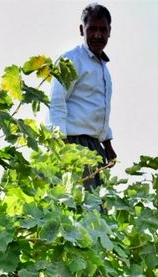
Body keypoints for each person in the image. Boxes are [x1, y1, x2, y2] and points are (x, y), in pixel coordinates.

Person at [49, 2, 117, 189]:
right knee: (81, 207)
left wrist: (108, 145)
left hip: (95, 147)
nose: (98, 35)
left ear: (110, 31)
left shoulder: (104, 69)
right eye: (92, 29)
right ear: (82, 30)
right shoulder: (71, 60)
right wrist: (62, 145)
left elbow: (97, 109)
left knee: (96, 208)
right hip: (73, 143)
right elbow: (56, 101)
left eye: (103, 29)